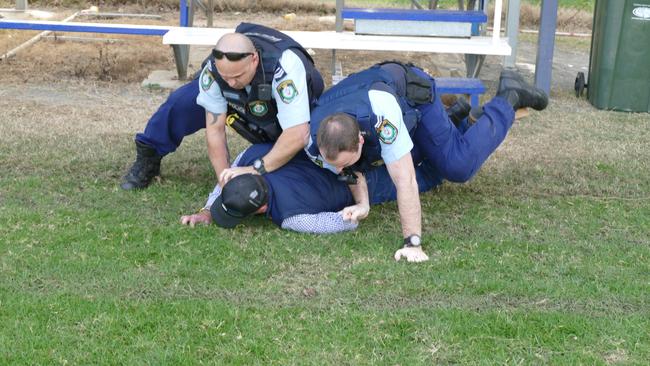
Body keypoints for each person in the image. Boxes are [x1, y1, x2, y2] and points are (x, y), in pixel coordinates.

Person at [304, 63, 548, 263]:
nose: (338, 171)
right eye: (333, 164)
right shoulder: (314, 139)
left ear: (359, 139)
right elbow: (351, 167)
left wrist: (412, 242)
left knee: (458, 166)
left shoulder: (382, 120)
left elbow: (405, 180)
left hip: (413, 95)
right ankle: (459, 123)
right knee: (436, 156)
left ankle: (508, 98)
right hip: (380, 97)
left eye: (344, 164)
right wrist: (362, 204)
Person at [120, 22, 324, 190]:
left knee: (301, 147)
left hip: (288, 106)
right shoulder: (213, 71)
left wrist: (256, 169)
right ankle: (149, 157)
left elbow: (297, 132)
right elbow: (215, 130)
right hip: (244, 100)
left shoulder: (285, 66)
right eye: (226, 77)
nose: (231, 83)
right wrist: (224, 180)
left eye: (237, 76)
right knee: (182, 101)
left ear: (254, 60)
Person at [180, 143, 444, 241]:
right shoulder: (254, 156)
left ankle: (444, 155)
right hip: (342, 158)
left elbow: (345, 224)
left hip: (358, 187)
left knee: (425, 176)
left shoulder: (291, 218)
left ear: (260, 210)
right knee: (404, 152)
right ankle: (452, 126)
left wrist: (357, 210)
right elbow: (228, 174)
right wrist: (208, 209)